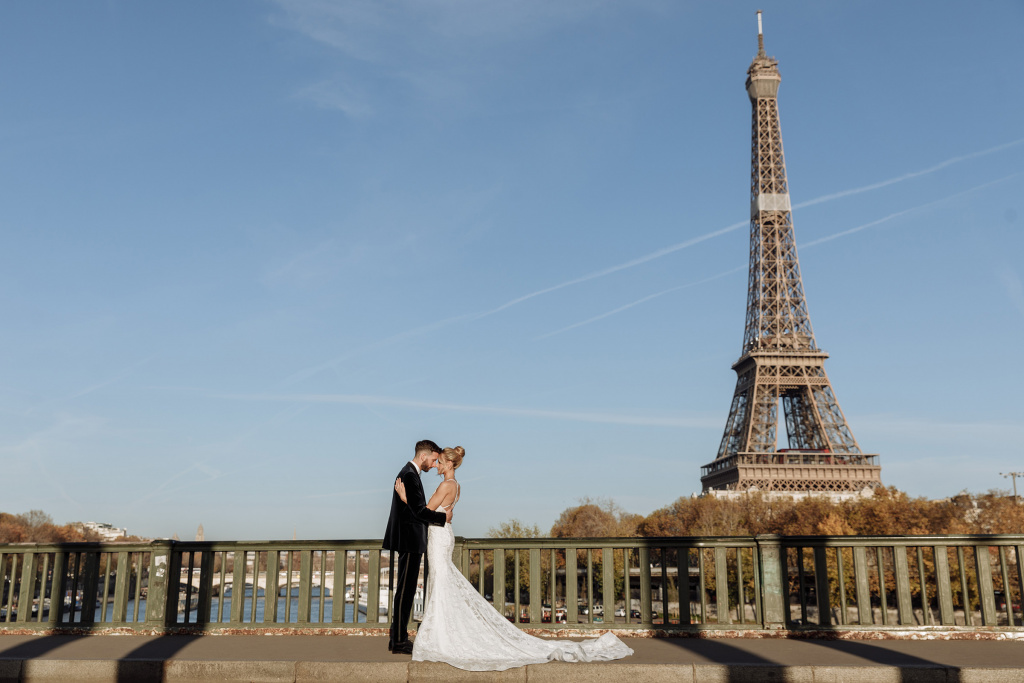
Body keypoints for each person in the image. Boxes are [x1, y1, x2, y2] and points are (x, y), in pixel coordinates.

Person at [395, 446, 633, 671]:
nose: (436, 465)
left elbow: (424, 512)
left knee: (441, 581)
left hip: (439, 537)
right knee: (442, 581)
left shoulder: (445, 485)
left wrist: (406, 499)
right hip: (443, 535)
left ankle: (441, 635)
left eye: (439, 462)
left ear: (448, 463)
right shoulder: (457, 486)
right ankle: (442, 632)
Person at [383, 439, 454, 655]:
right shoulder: (409, 475)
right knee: (405, 591)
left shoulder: (410, 474)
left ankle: (397, 638)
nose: (433, 464)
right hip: (409, 540)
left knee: (406, 590)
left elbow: (415, 508)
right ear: (423, 456)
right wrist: (443, 518)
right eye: (432, 460)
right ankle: (399, 641)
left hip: (409, 539)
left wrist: (409, 502)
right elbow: (420, 512)